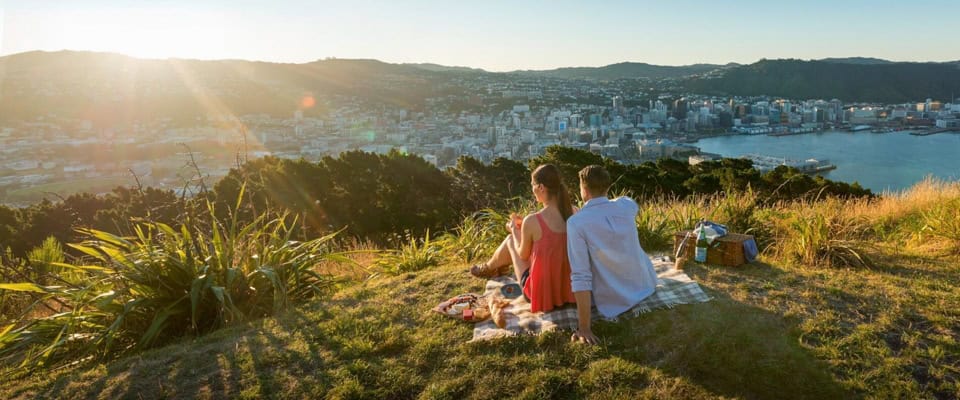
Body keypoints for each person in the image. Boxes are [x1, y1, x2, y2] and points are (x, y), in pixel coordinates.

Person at [566, 165, 658, 344]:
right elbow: (630, 203)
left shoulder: (576, 223)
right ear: (608, 187)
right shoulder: (626, 205)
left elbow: (580, 274)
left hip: (614, 301)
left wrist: (584, 327)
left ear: (583, 189)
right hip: (646, 284)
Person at [469, 164, 576, 313]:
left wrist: (514, 230)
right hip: (569, 289)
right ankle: (491, 268)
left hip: (541, 293)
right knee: (518, 238)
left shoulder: (533, 221)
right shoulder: (575, 212)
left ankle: (488, 268)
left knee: (511, 240)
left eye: (532, 185)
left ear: (541, 187)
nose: (532, 190)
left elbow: (523, 255)